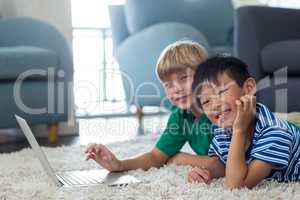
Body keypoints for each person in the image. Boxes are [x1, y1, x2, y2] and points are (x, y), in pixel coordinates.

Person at [85, 40, 223, 175]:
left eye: (184, 78)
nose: (177, 89)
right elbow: (156, 157)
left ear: (204, 76)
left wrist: (183, 159)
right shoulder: (181, 116)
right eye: (168, 84)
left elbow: (223, 165)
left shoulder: (220, 110)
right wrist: (119, 164)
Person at [188, 55, 300, 189]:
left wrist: (239, 130)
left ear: (249, 88)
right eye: (206, 101)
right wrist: (206, 172)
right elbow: (222, 163)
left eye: (222, 91)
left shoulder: (275, 132)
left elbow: (237, 185)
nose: (215, 105)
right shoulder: (223, 129)